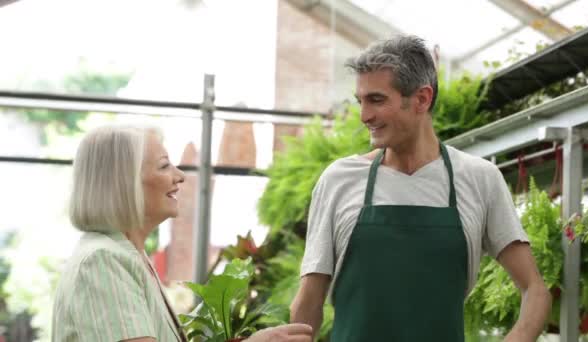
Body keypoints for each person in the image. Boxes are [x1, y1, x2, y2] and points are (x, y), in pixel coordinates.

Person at [290, 35, 551, 341]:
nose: (364, 116)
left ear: (422, 99)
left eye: (376, 99)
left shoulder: (479, 179)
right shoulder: (339, 179)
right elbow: (309, 300)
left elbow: (535, 290)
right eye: (360, 101)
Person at [52, 125, 313, 342]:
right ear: (125, 181)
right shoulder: (103, 260)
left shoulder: (126, 255)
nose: (179, 176)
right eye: (164, 166)